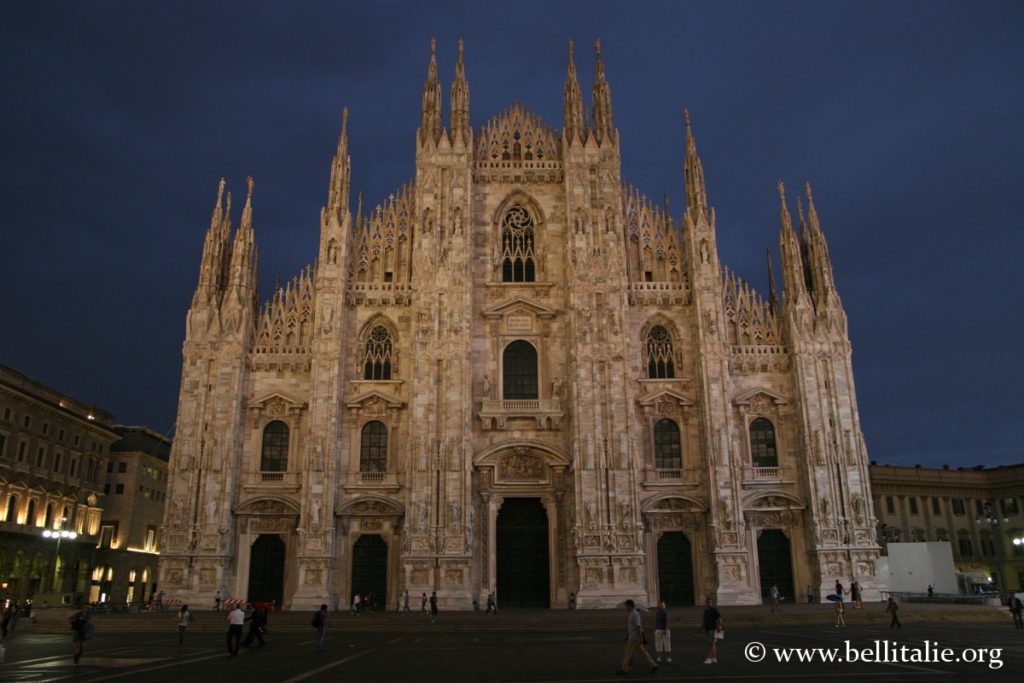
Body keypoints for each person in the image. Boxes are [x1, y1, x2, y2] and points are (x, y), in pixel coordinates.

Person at [616, 599, 657, 674]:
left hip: (634, 638)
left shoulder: (635, 614)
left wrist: (641, 638)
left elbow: (638, 627)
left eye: (626, 606)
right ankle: (653, 665)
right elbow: (631, 627)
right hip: (633, 637)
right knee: (643, 652)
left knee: (627, 653)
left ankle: (624, 669)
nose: (625, 608)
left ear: (629, 606)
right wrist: (627, 635)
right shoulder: (631, 614)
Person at [700, 597, 722, 664]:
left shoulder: (713, 610)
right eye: (708, 602)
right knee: (712, 644)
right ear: (706, 603)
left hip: (712, 629)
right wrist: (701, 628)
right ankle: (714, 658)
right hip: (708, 629)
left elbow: (719, 618)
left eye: (710, 602)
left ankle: (709, 658)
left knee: (710, 644)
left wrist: (719, 626)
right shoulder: (706, 611)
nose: (710, 603)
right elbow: (704, 620)